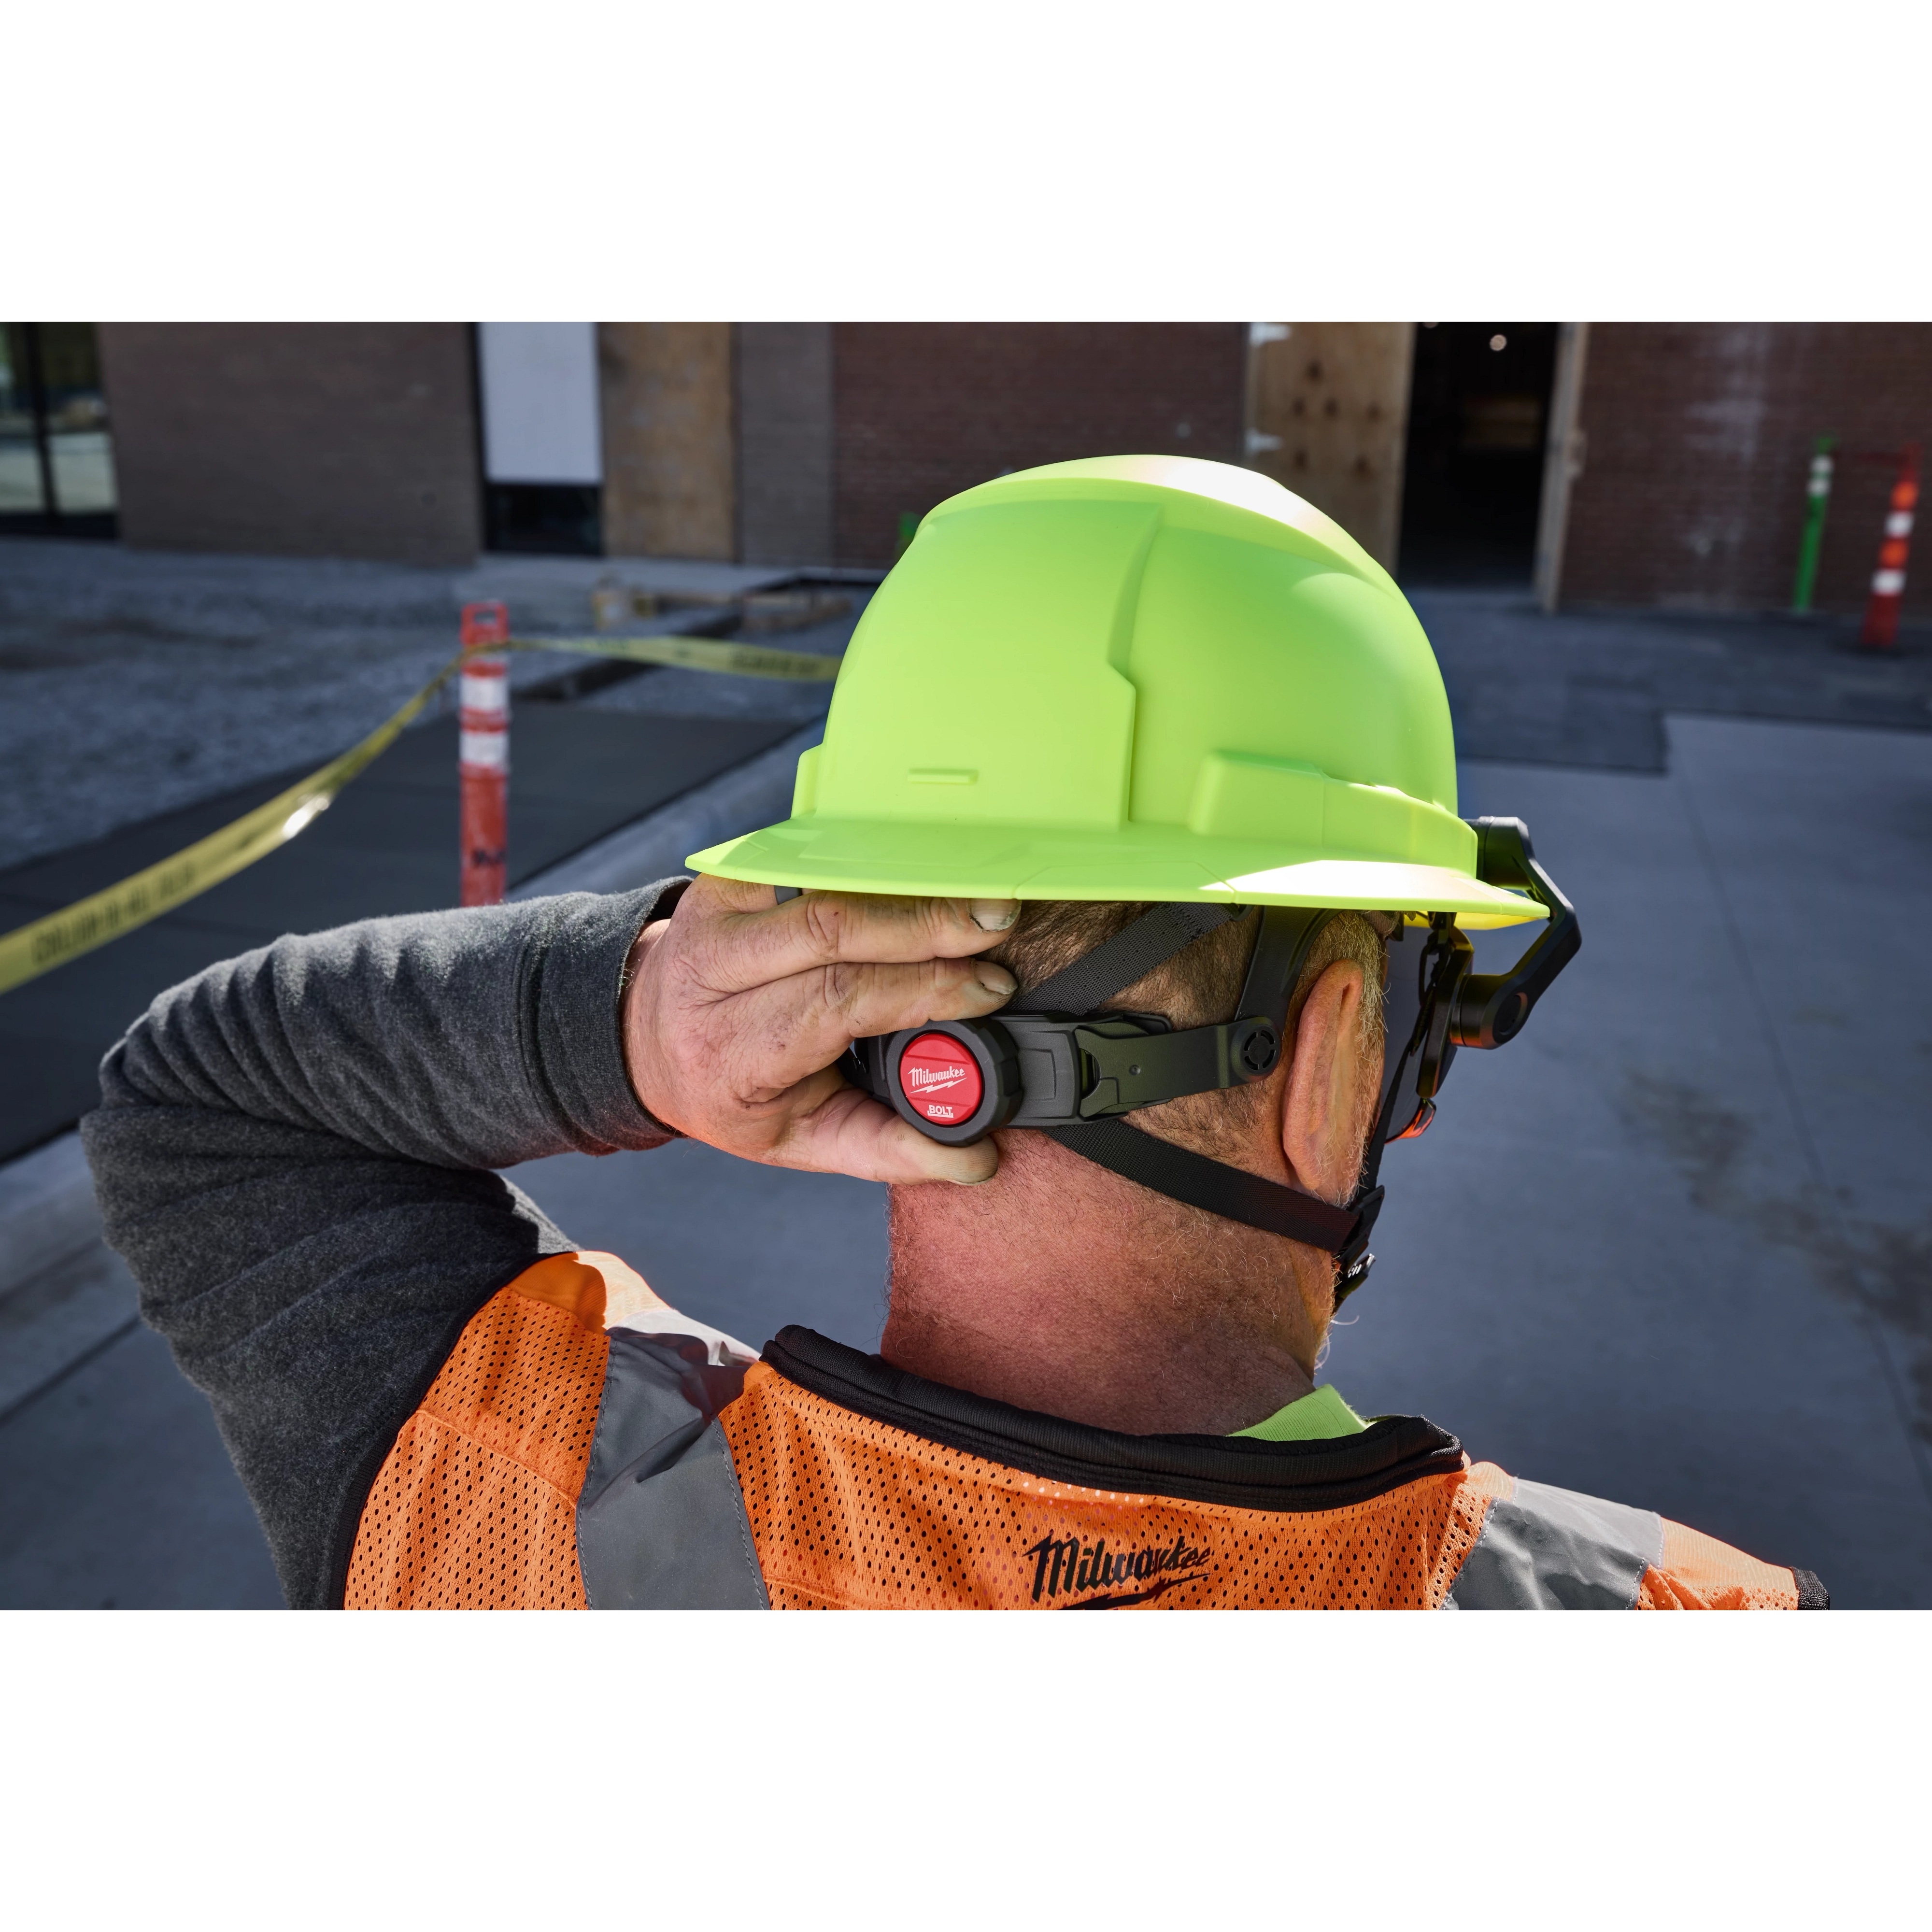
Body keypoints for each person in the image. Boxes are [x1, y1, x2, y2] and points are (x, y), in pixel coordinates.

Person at [83, 456, 1826, 1611]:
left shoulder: (498, 1512)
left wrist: (629, 1017)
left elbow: (205, 1099)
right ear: (1337, 1063)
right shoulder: (1676, 1603)